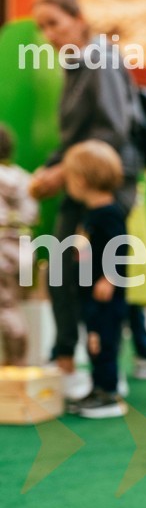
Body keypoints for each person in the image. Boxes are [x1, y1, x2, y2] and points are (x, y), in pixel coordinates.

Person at [29, 0, 146, 399]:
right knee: (75, 272)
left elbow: (112, 130)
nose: (48, 34)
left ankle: (99, 375)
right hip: (83, 178)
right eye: (41, 27)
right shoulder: (76, 64)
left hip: (105, 182)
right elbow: (75, 135)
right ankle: (80, 362)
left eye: (54, 23)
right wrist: (53, 167)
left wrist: (61, 171)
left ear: (78, 18)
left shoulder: (99, 58)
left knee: (93, 279)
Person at [60, 140, 129, 418]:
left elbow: (121, 248)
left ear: (82, 179)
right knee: (93, 342)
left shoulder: (109, 213)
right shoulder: (91, 213)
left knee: (104, 343)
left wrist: (109, 279)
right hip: (90, 295)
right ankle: (98, 387)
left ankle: (108, 393)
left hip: (105, 298)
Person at [0, 125, 38, 366]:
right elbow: (32, 214)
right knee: (13, 304)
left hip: (2, 249)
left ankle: (15, 362)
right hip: (24, 248)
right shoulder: (23, 177)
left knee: (5, 307)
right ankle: (16, 360)